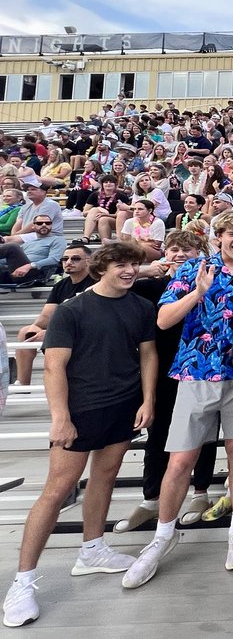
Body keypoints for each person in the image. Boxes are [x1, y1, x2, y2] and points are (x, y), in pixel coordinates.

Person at [2, 242, 156, 629]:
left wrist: (148, 400)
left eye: (134, 265)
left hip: (123, 405)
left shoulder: (140, 306)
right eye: (121, 265)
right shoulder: (72, 310)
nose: (129, 271)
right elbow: (54, 368)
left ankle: (92, 550)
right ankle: (22, 582)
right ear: (102, 267)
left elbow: (148, 354)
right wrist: (60, 418)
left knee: (104, 477)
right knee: (56, 490)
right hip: (80, 410)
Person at [122, 209, 233, 589]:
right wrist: (199, 293)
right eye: (230, 233)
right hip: (196, 373)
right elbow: (163, 320)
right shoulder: (193, 270)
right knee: (181, 459)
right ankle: (162, 536)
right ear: (217, 235)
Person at [116, 230, 219, 533]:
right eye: (174, 249)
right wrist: (146, 268)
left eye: (188, 250)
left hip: (198, 367)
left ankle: (200, 492)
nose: (180, 255)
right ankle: (151, 498)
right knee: (158, 432)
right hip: (159, 369)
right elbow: (109, 283)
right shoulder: (150, 285)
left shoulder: (210, 283)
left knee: (204, 434)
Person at [11, 242, 93, 386]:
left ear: (88, 261)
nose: (68, 262)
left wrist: (50, 333)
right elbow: (46, 317)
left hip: (88, 332)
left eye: (75, 259)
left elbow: (90, 319)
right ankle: (23, 385)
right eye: (64, 259)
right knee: (26, 332)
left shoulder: (96, 283)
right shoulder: (61, 285)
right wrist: (35, 328)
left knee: (48, 338)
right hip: (63, 331)